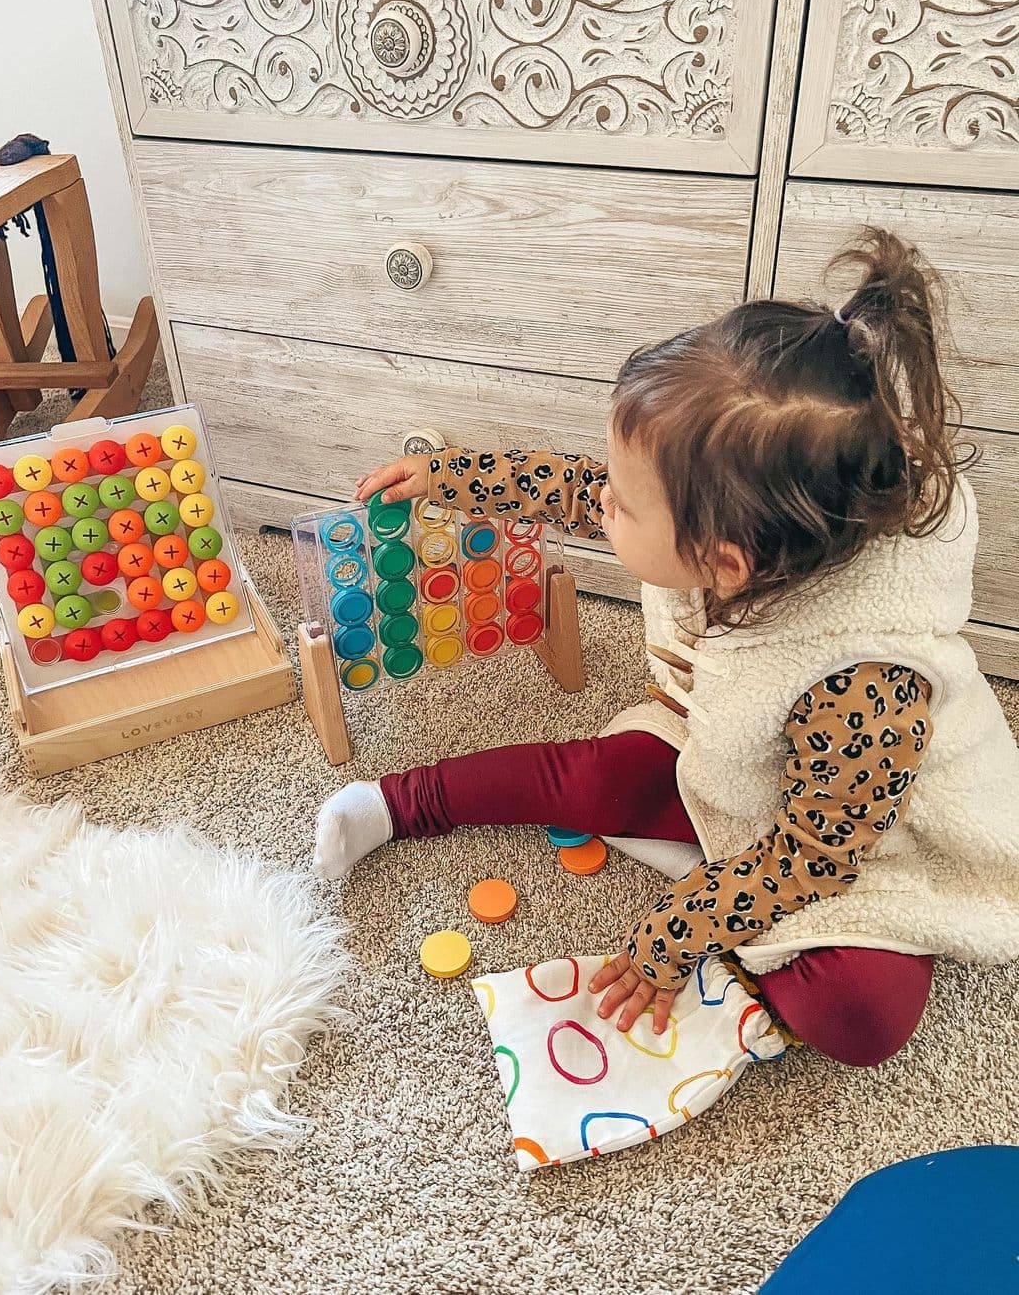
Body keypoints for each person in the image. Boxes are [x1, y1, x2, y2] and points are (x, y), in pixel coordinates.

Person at [314, 229, 1019, 1068]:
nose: (600, 500)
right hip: (742, 763)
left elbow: (817, 857)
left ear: (723, 564)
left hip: (869, 846)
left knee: (860, 1011)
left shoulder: (866, 687)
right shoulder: (740, 528)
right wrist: (453, 475)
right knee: (595, 775)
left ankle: (721, 886)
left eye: (623, 503)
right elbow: (572, 487)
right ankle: (398, 803)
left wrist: (675, 932)